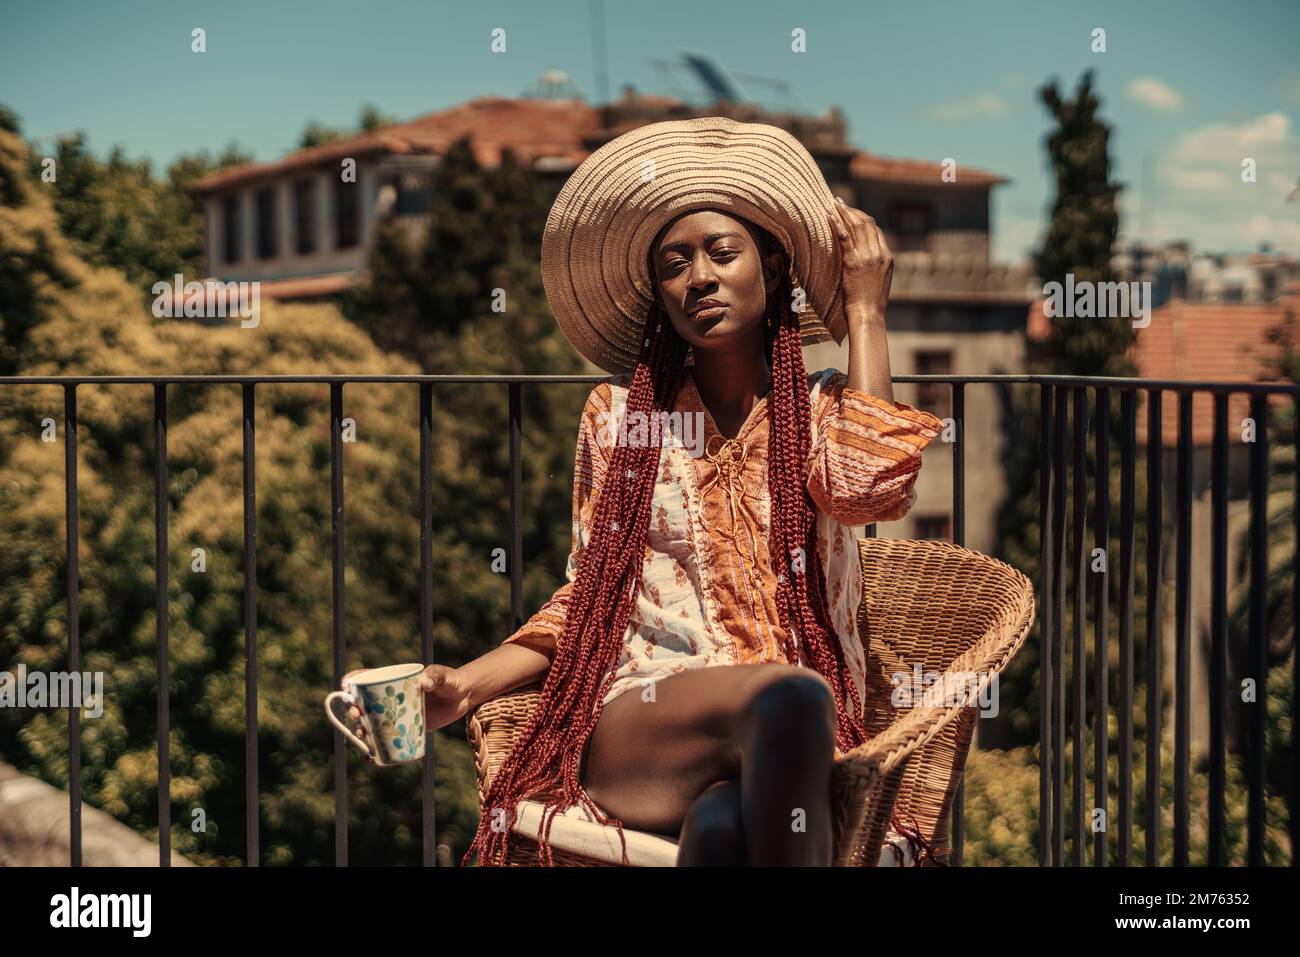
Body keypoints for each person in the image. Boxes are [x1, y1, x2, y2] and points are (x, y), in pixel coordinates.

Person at [343, 118, 944, 866]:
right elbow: (588, 596)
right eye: (674, 263)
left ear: (772, 268)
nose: (699, 277)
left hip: (792, 742)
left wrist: (867, 309)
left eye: (723, 253)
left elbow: (866, 492)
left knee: (724, 830)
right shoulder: (620, 419)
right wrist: (463, 686)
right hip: (645, 723)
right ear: (659, 295)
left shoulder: (822, 413)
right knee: (789, 696)